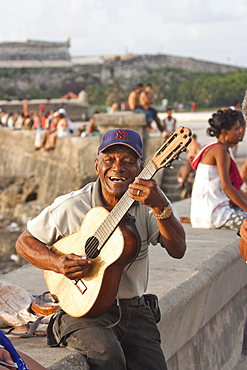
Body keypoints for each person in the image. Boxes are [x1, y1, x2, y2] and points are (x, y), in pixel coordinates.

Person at [16, 128, 187, 370]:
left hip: (135, 311)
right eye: (109, 160)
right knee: (107, 357)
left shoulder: (152, 204)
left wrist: (161, 207)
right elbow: (24, 242)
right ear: (97, 166)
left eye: (128, 161)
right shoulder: (73, 205)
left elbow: (178, 249)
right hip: (81, 313)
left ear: (141, 169)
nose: (118, 167)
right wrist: (58, 263)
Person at [190, 109, 247, 229]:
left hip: (212, 213)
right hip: (213, 216)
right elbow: (227, 186)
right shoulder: (219, 150)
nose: (241, 131)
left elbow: (233, 187)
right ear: (225, 132)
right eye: (237, 129)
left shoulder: (222, 148)